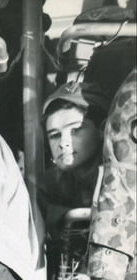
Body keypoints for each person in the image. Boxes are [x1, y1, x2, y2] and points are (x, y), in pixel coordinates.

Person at [41, 81, 108, 234]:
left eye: (75, 131)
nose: (63, 143)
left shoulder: (125, 180)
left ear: (102, 129)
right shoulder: (48, 188)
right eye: (55, 135)